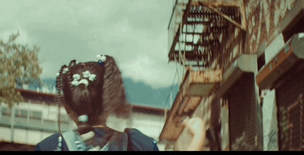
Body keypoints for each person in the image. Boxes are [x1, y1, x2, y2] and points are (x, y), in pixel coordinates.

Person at [35, 54, 205, 151]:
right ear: (110, 100)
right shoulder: (137, 144)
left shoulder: (50, 147)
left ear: (67, 108)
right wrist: (198, 136)